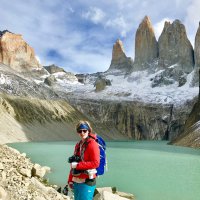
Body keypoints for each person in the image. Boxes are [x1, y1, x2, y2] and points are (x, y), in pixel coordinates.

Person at [67, 120, 100, 200]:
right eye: (80, 131)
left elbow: (96, 163)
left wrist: (78, 166)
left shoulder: (93, 144)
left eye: (84, 130)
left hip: (87, 181)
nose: (82, 133)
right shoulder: (78, 145)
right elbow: (73, 163)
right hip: (77, 181)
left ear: (89, 131)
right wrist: (70, 179)